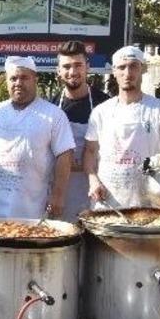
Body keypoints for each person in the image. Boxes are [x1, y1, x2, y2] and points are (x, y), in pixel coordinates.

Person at [0, 56, 75, 219]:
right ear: (7, 81)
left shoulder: (54, 115)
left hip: (32, 206)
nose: (18, 82)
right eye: (13, 78)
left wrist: (58, 195)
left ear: (35, 80)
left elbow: (65, 155)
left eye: (24, 77)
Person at [84, 46, 160, 209]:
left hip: (148, 203)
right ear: (114, 71)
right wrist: (93, 180)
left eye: (133, 66)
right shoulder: (101, 111)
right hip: (107, 204)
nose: (127, 73)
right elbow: (90, 151)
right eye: (122, 67)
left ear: (143, 69)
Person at [51, 41, 111, 221]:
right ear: (58, 71)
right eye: (66, 66)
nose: (72, 72)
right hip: (61, 189)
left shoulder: (105, 104)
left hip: (97, 187)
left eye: (78, 65)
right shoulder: (50, 107)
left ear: (88, 67)